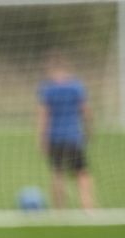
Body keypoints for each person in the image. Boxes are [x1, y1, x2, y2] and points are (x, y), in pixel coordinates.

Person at [39, 53, 96, 211]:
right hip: (74, 136)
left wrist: (42, 139)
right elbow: (85, 110)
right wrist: (89, 129)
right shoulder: (76, 86)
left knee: (57, 173)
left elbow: (44, 115)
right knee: (82, 172)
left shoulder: (47, 88)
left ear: (51, 68)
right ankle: (88, 207)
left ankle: (59, 211)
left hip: (55, 138)